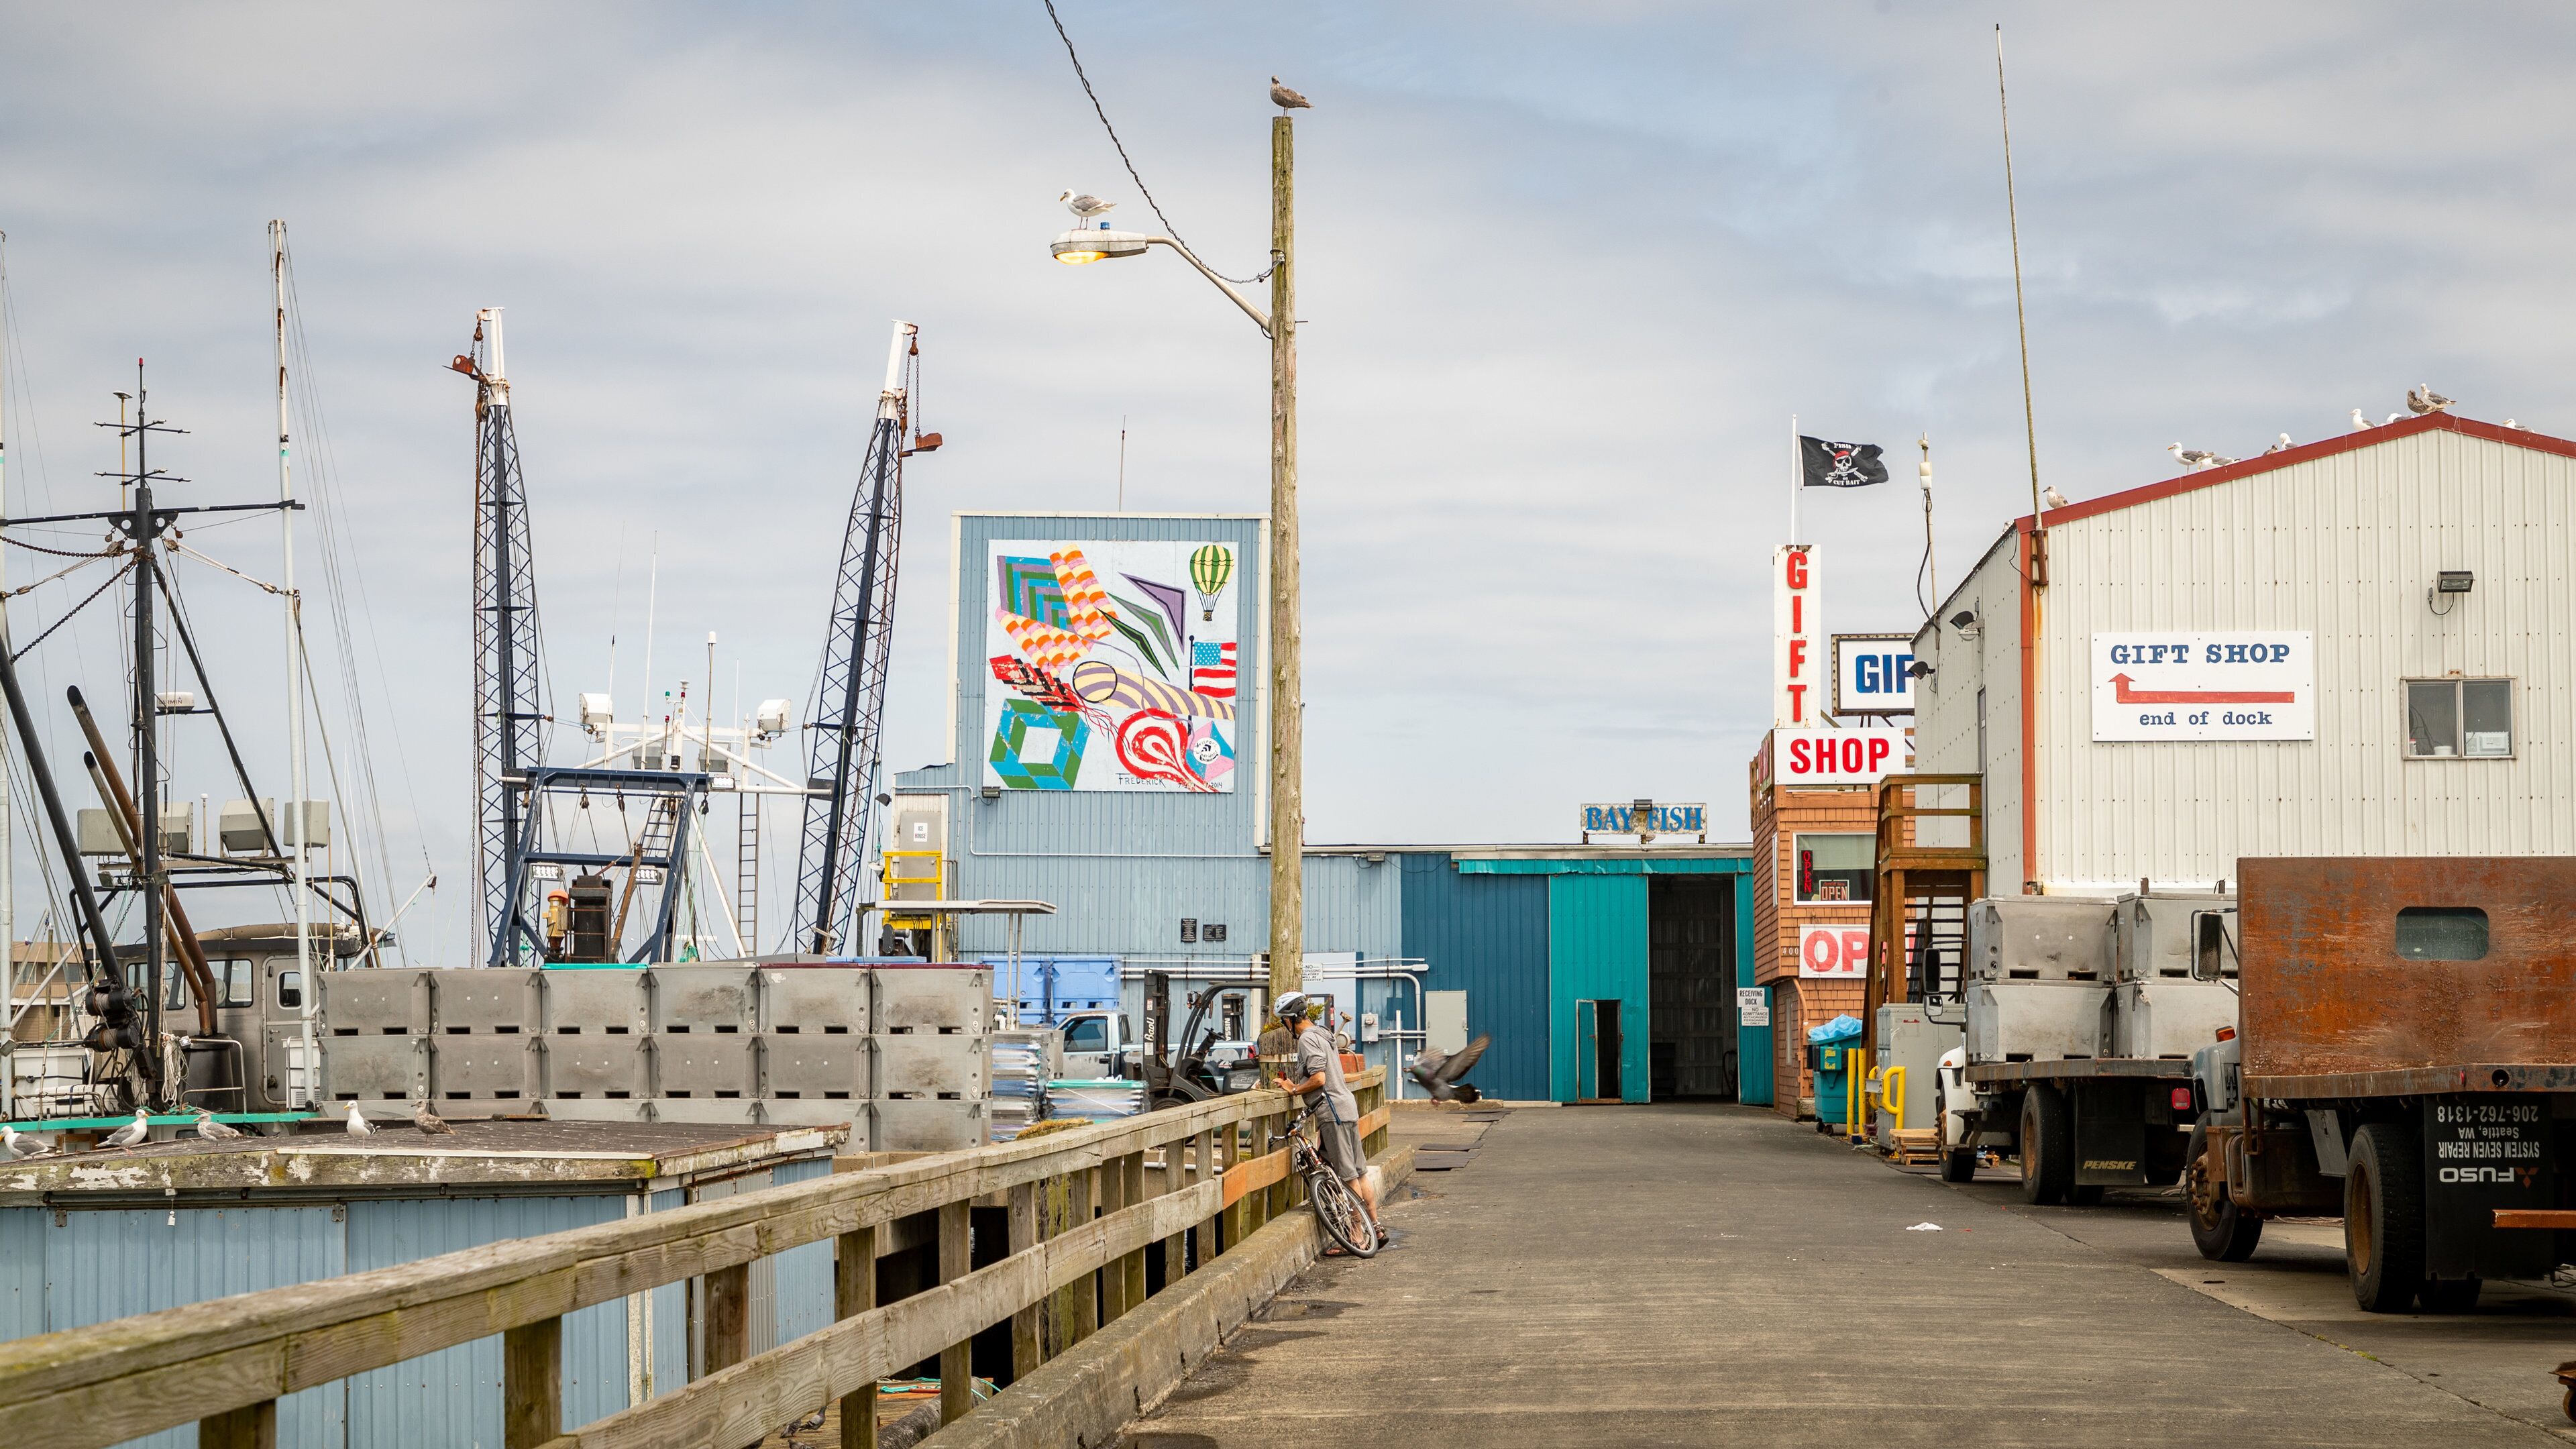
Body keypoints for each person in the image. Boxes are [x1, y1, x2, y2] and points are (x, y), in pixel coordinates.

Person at [1269, 991, 1384, 1248]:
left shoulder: (1307, 1040)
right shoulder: (1323, 1033)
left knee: (1347, 1176)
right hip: (1347, 1107)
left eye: (1282, 1022)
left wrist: (1293, 1089)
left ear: (1289, 1021)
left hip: (1332, 1113)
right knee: (1360, 1171)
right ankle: (1375, 1228)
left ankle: (1357, 1235)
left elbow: (1319, 1079)